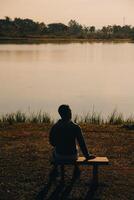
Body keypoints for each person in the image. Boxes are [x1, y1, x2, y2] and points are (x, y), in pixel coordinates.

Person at [49, 104, 95, 178]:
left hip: (59, 156)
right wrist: (87, 156)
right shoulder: (75, 127)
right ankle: (76, 169)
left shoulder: (55, 126)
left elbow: (52, 142)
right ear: (67, 113)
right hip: (72, 156)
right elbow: (81, 143)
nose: (71, 113)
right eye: (69, 111)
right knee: (76, 148)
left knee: (54, 150)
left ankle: (56, 169)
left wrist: (60, 144)